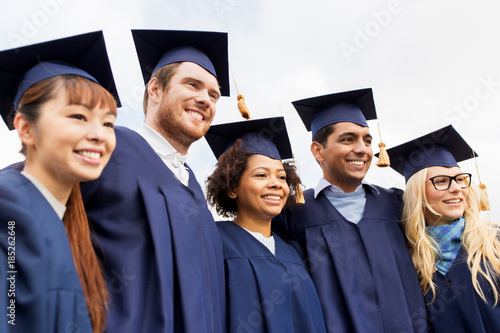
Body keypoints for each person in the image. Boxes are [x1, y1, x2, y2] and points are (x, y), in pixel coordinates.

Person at [80, 30, 229, 332]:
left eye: (213, 95)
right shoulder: (108, 146)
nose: (205, 99)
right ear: (156, 90)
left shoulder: (193, 188)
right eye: (192, 85)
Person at [273, 88, 428, 333]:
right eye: (348, 139)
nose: (363, 149)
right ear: (317, 150)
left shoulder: (396, 204)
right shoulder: (294, 214)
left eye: (367, 140)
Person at [0, 31, 119, 333]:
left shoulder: (72, 225)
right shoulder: (8, 214)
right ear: (25, 128)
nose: (99, 134)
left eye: (108, 123)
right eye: (78, 116)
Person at [205, 116, 327, 333]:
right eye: (261, 175)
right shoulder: (213, 241)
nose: (275, 184)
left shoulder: (294, 252)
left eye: (281, 177)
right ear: (232, 187)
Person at [386, 124, 500, 332]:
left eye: (460, 179)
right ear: (418, 194)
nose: (456, 188)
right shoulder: (410, 260)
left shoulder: (494, 242)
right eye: (441, 181)